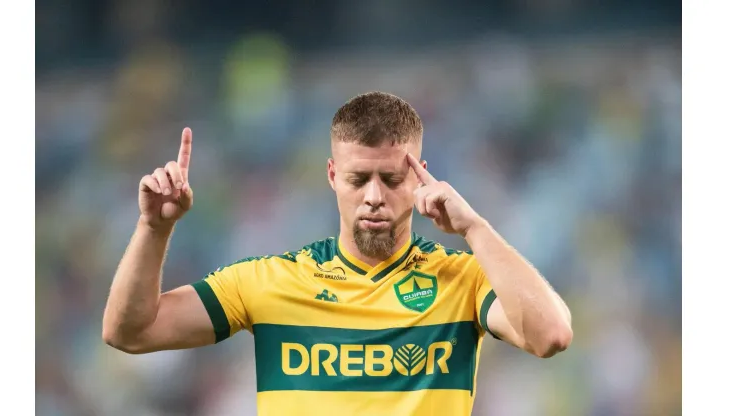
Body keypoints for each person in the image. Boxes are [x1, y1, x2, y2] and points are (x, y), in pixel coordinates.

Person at [102, 91, 572, 416]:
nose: (373, 196)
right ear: (331, 175)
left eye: (390, 179)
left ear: (420, 176)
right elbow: (131, 331)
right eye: (356, 179)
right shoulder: (270, 281)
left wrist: (475, 228)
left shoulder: (463, 280)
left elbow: (550, 335)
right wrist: (153, 227)